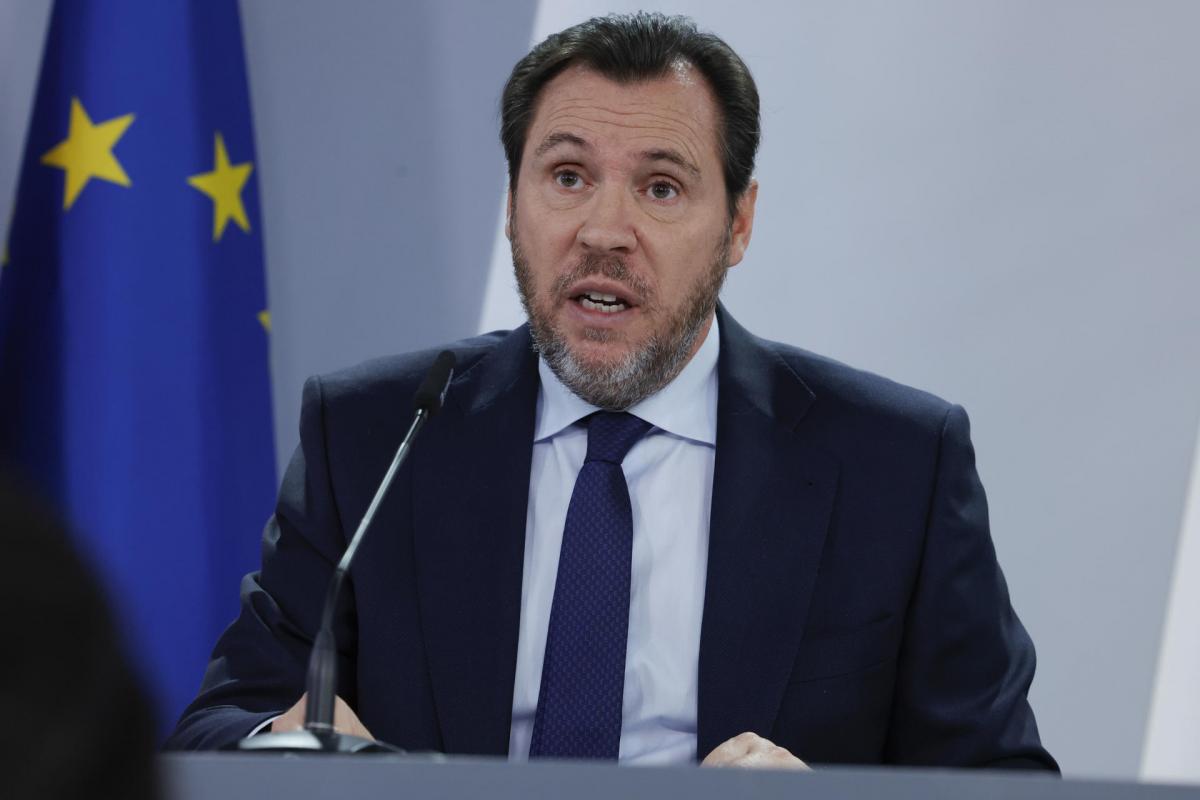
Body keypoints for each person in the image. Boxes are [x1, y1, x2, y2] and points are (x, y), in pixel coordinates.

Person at [167, 12, 1057, 770]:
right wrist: (305, 754)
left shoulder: (894, 466)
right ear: (513, 202)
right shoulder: (376, 434)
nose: (604, 230)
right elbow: (216, 730)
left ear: (739, 223)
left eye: (661, 188)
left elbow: (1003, 780)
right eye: (567, 177)